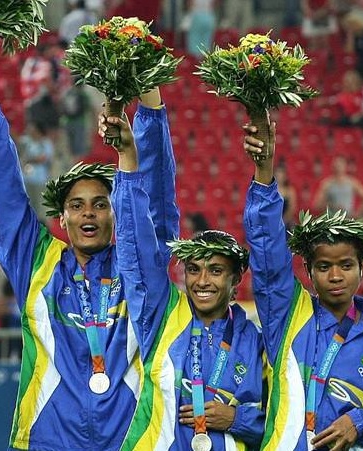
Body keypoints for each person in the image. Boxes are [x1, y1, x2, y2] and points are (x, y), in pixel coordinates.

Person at [0, 36, 177, 450]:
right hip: (49, 440)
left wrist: (149, 99)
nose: (89, 214)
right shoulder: (39, 264)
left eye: (100, 204)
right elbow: (4, 197)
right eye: (77, 206)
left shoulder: (136, 271)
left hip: (131, 440)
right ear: (61, 219)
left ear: (116, 213)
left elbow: (155, 201)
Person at [243, 116, 363, 450]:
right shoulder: (288, 316)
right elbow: (266, 255)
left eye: (346, 265)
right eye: (324, 266)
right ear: (308, 271)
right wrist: (264, 174)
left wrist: (360, 422)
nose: (335, 276)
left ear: (362, 268)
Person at [111, 119, 264, 448]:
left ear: (236, 277)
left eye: (216, 271)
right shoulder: (162, 317)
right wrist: (127, 161)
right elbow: (135, 245)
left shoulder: (254, 340)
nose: (202, 281)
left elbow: (284, 417)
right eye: (194, 269)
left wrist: (237, 420)